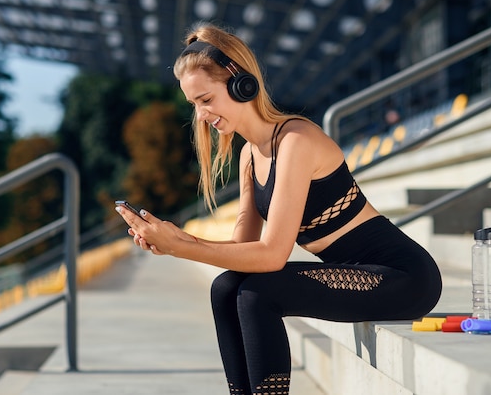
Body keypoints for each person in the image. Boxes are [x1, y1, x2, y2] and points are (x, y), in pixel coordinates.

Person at [116, 22, 442, 395]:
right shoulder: (249, 156)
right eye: (194, 105)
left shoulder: (296, 140)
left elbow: (272, 256)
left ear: (242, 83)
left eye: (206, 99)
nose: (201, 116)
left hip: (403, 277)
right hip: (352, 272)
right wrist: (175, 237)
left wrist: (183, 248)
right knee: (226, 287)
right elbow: (242, 252)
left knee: (259, 293)